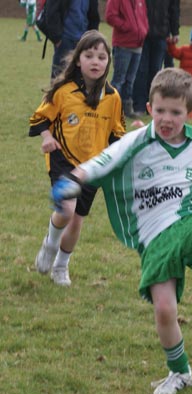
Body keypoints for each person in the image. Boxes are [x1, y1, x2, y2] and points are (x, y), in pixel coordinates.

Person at [50, 68, 192, 394]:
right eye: (161, 110)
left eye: (176, 112)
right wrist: (74, 178)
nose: (167, 118)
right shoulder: (136, 141)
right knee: (164, 309)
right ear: (150, 108)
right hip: (153, 233)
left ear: (191, 114)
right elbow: (103, 161)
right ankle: (180, 372)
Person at [29, 30, 125, 286]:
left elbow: (117, 134)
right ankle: (49, 246)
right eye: (89, 55)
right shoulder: (63, 91)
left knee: (76, 220)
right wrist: (47, 138)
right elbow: (39, 119)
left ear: (108, 62)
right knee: (67, 209)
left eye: (102, 57)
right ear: (78, 60)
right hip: (64, 159)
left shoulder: (113, 97)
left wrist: (117, 161)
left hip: (94, 165)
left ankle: (61, 266)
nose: (96, 61)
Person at [132, 0, 180, 117]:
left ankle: (153, 105)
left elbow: (174, 9)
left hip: (161, 35)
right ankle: (139, 106)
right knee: (141, 71)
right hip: (141, 34)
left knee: (155, 71)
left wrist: (175, 31)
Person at [105, 0, 149, 119]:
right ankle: (112, 109)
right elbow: (110, 16)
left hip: (138, 45)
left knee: (130, 80)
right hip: (123, 45)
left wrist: (144, 30)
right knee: (119, 79)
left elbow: (143, 16)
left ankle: (127, 109)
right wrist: (126, 27)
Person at [39, 0, 100, 79]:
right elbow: (51, 12)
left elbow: (94, 16)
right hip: (66, 40)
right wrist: (57, 38)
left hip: (84, 41)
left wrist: (92, 37)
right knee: (59, 77)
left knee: (82, 78)